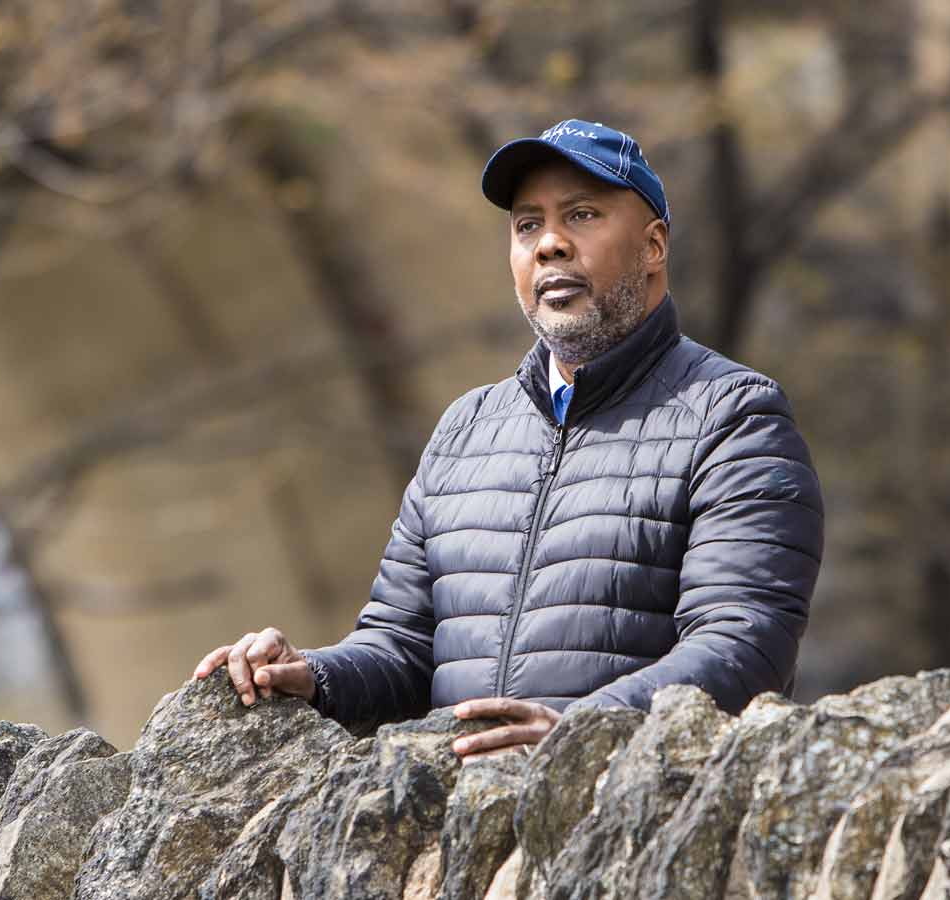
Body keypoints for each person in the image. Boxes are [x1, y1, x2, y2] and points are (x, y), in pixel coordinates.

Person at [192, 119, 823, 763]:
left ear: (653, 245)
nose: (549, 244)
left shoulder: (734, 417)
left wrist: (582, 731)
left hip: (625, 810)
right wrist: (311, 675)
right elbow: (402, 650)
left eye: (581, 215)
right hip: (464, 816)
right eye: (527, 225)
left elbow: (743, 646)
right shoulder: (466, 430)